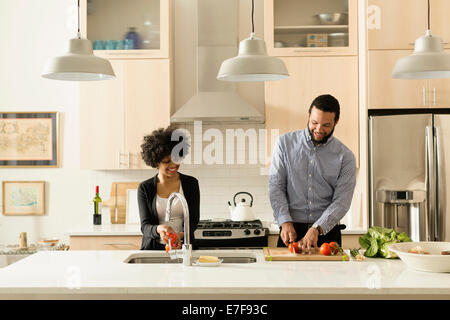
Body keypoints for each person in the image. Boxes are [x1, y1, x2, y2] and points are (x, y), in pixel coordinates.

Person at [269, 94, 356, 254]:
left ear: (336, 122)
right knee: (286, 278)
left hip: (326, 234)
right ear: (309, 115)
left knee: (330, 279)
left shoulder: (346, 156)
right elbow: (276, 187)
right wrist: (285, 221)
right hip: (291, 232)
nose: (319, 129)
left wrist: (317, 228)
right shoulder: (284, 144)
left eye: (326, 125)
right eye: (314, 123)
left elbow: (342, 201)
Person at [138, 126, 200, 250]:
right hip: (153, 249)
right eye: (167, 161)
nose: (173, 165)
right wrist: (160, 229)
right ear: (156, 162)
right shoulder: (145, 188)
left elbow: (193, 221)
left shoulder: (191, 183)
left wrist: (180, 236)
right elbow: (145, 226)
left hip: (184, 247)